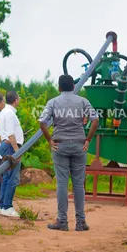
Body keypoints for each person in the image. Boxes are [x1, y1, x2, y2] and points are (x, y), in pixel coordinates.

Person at [39, 74, 99, 231]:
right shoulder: (82, 101)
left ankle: (62, 221)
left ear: (59, 88)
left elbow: (42, 122)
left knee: (62, 184)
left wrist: (49, 140)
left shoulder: (53, 102)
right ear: (73, 87)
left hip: (60, 146)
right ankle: (81, 222)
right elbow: (95, 120)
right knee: (79, 184)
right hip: (79, 146)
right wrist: (88, 140)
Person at [0, 91, 23, 217]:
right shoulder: (10, 114)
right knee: (13, 178)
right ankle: (7, 206)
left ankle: (2, 206)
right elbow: (11, 134)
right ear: (16, 100)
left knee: (7, 178)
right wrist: (17, 151)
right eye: (19, 98)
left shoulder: (4, 112)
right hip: (11, 148)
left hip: (6, 146)